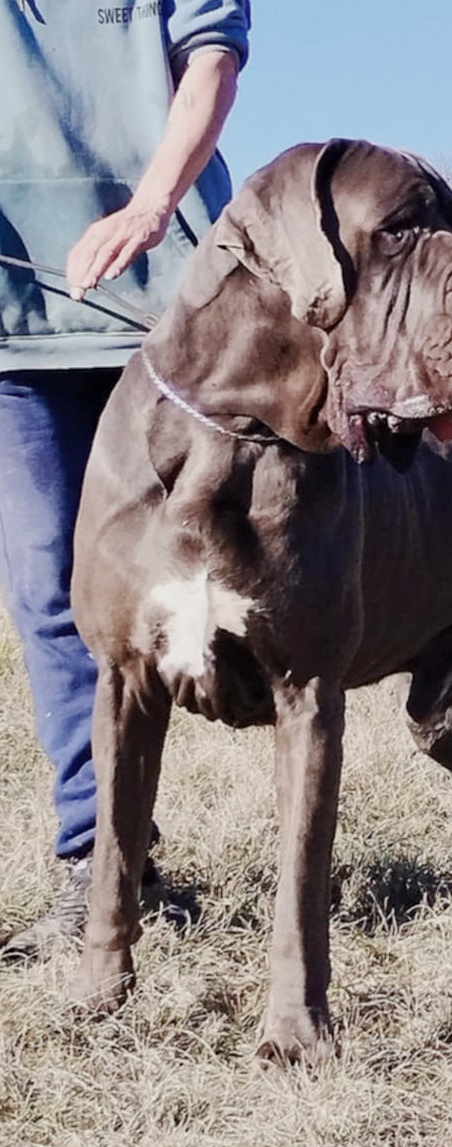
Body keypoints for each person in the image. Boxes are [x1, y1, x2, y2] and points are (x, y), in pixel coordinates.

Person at [0, 1, 251, 960]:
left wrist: (150, 206)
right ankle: (100, 864)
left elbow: (215, 59)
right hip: (18, 326)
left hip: (171, 312)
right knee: (50, 595)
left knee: (234, 579)